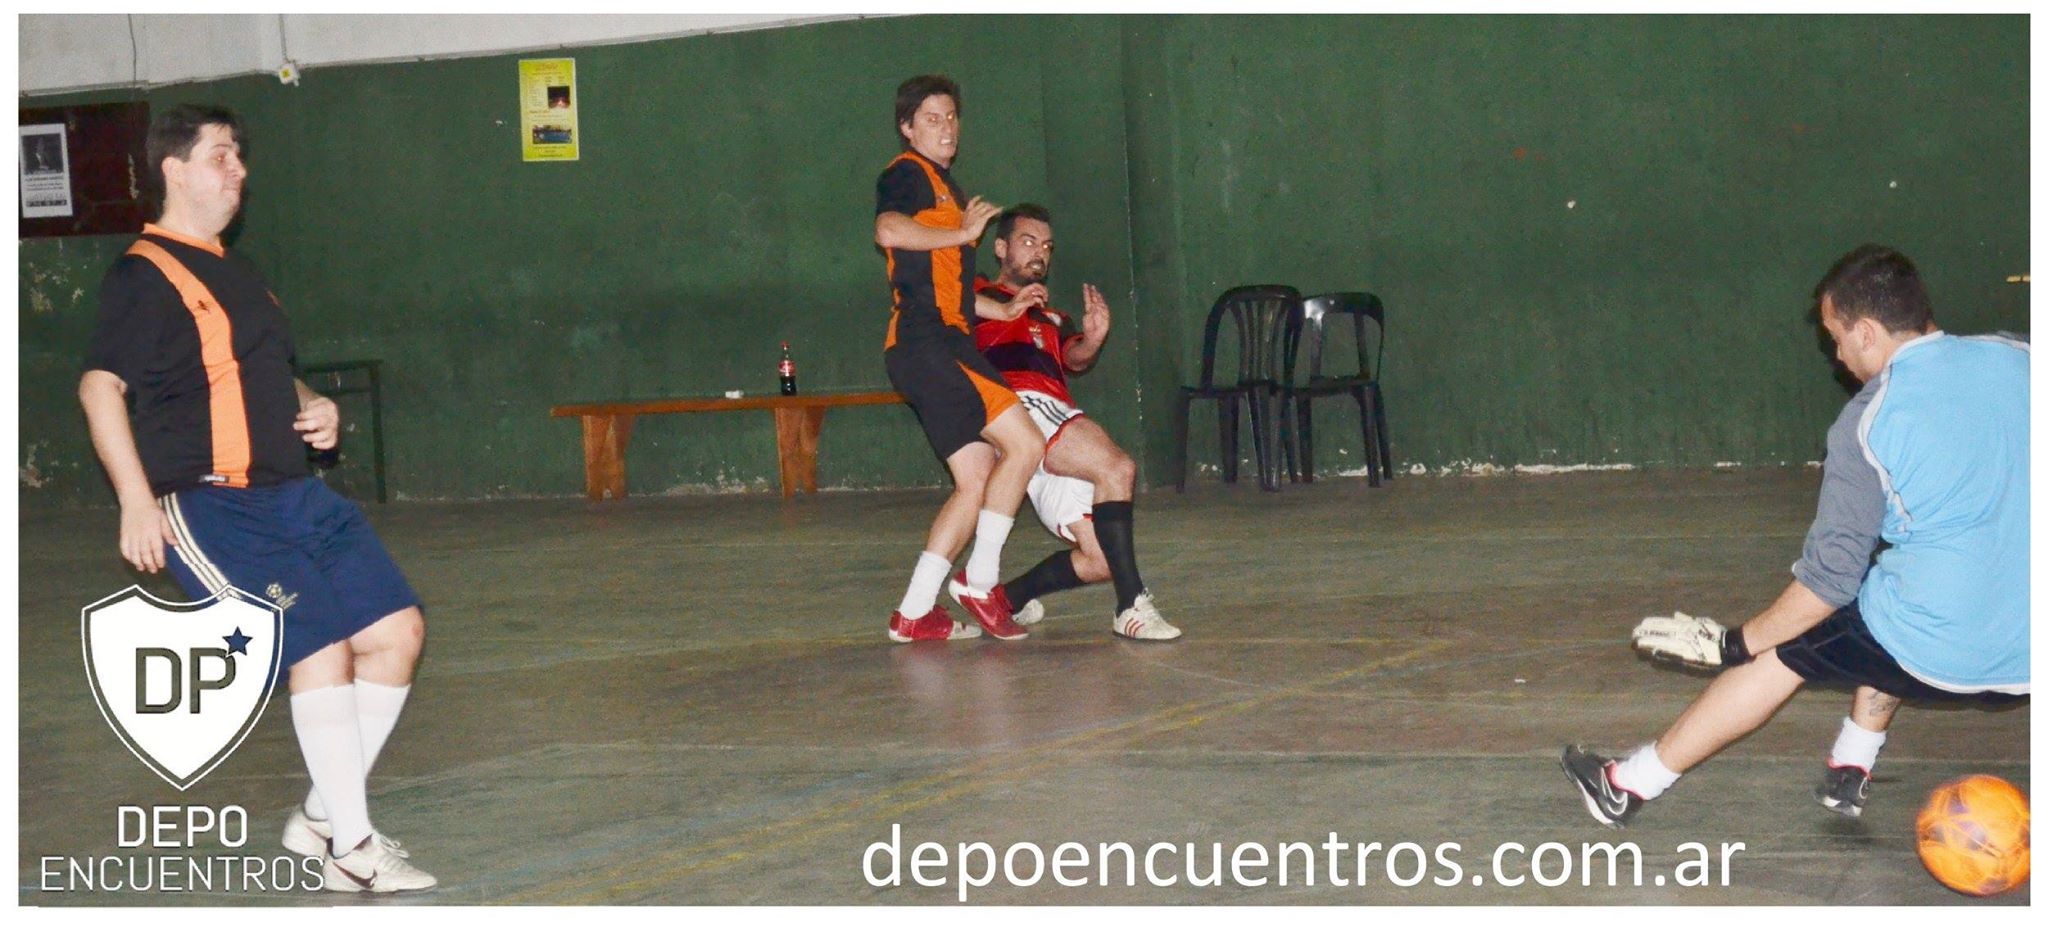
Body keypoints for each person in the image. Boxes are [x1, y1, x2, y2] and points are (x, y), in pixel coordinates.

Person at [77, 104, 436, 893]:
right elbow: (100, 388)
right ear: (174, 170)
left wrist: (315, 405)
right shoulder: (144, 274)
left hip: (294, 496)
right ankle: (352, 851)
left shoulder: (240, 273)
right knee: (319, 648)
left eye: (239, 155)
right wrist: (135, 501)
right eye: (220, 156)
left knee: (396, 634)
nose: (238, 170)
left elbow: (267, 375)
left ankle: (320, 817)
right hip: (211, 503)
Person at [1563, 245, 2028, 826]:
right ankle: (1852, 764)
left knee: (1788, 649)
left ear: (1865, 332)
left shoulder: (1867, 421)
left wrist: (1734, 643)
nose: (1837, 356)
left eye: (1836, 338)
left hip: (1941, 650)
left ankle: (1626, 785)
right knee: (1893, 582)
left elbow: (1828, 586)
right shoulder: (2021, 355)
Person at [874, 75, 1046, 642]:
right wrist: (963, 233)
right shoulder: (907, 174)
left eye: (951, 117)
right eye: (932, 118)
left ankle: (914, 612)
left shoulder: (947, 188)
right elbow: (888, 230)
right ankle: (980, 581)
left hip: (926, 346)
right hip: (931, 343)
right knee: (1026, 445)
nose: (946, 127)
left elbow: (948, 285)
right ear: (907, 128)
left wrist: (1004, 308)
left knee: (975, 480)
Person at [969, 204, 1179, 640]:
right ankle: (1131, 605)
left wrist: (1094, 339)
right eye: (1028, 242)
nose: (1039, 253)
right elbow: (940, 305)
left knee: (1103, 559)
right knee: (1117, 467)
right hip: (1019, 405)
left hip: (1050, 415)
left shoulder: (1055, 317)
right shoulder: (980, 296)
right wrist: (1003, 309)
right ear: (1001, 248)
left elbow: (1075, 360)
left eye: (1047, 246)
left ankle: (1006, 599)